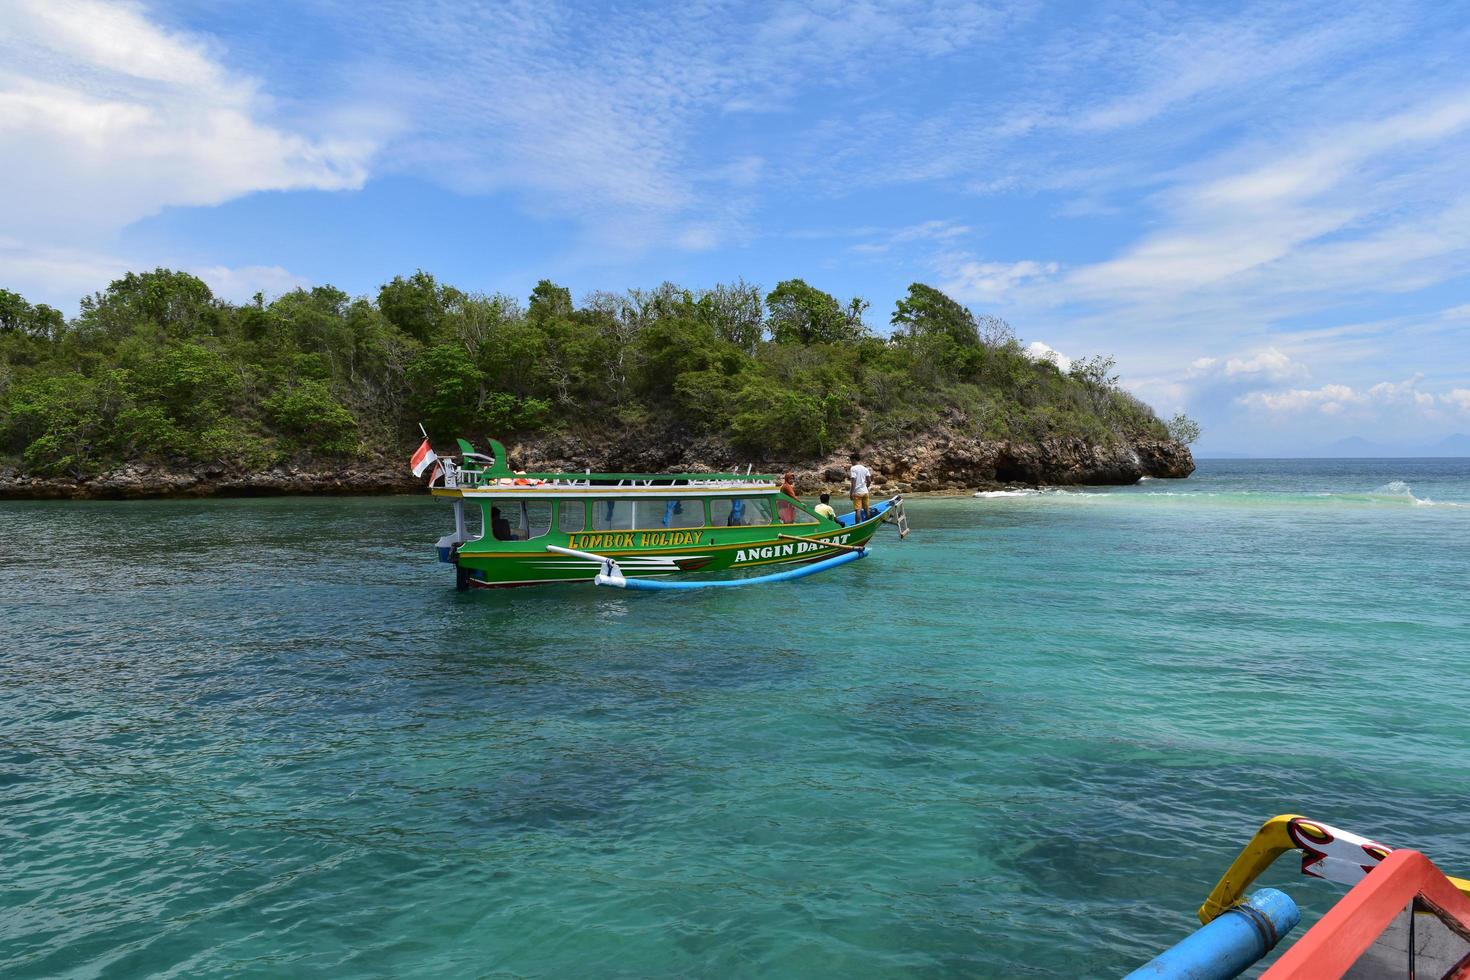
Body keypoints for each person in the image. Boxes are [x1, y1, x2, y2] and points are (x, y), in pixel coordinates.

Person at [849, 453, 873, 522]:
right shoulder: (865, 469)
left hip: (857, 492)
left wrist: (851, 493)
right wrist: (866, 486)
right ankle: (869, 523)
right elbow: (869, 480)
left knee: (858, 510)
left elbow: (853, 482)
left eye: (851, 460)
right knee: (866, 509)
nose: (851, 462)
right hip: (865, 492)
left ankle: (857, 525)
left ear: (854, 460)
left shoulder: (853, 468)